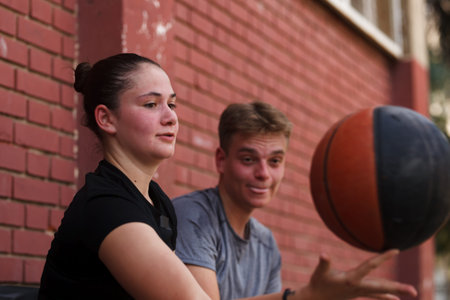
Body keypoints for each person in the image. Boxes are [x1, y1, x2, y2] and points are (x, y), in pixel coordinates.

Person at [173, 101, 418, 300]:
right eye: (248, 159)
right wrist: (303, 297)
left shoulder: (265, 244)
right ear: (221, 160)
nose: (264, 174)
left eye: (275, 161)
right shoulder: (191, 216)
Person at [38, 53, 210, 300]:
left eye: (171, 104)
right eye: (151, 104)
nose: (171, 117)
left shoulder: (157, 201)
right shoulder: (106, 206)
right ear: (106, 118)